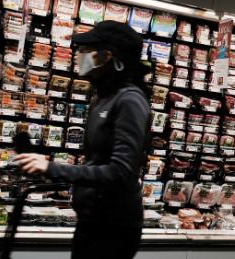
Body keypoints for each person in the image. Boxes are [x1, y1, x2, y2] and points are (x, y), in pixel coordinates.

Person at [14, 21, 151, 259]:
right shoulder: (102, 97)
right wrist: (44, 166)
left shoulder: (130, 101)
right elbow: (96, 162)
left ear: (107, 56)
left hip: (114, 228)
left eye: (87, 50)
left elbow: (120, 172)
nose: (80, 55)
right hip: (92, 219)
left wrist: (53, 168)